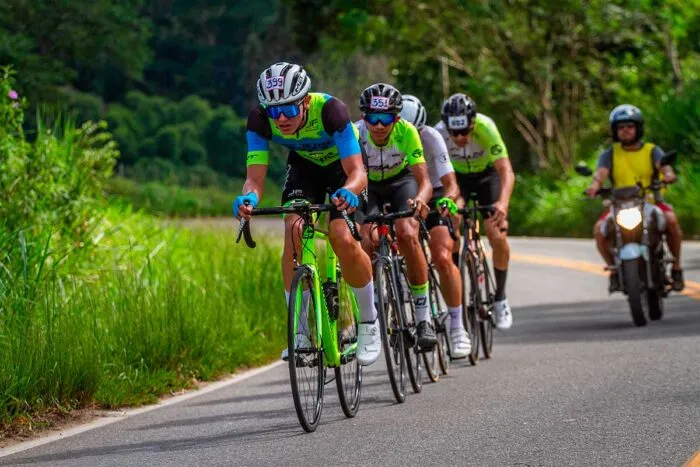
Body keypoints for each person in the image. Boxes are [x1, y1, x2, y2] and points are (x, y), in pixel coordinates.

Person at [233, 62, 381, 366]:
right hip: (305, 169)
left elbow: (357, 172)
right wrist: (248, 197)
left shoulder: (331, 111)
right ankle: (300, 332)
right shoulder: (260, 121)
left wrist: (350, 190)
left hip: (344, 168)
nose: (282, 118)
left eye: (289, 109)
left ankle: (369, 322)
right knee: (294, 230)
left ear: (305, 100)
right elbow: (255, 179)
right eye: (275, 111)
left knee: (341, 236)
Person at [355, 83, 436, 349]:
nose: (378, 125)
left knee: (407, 232)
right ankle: (377, 301)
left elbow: (424, 180)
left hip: (402, 182)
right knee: (365, 238)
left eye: (386, 118)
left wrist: (420, 200)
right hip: (369, 186)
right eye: (372, 118)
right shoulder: (355, 134)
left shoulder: (407, 132)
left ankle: (424, 318)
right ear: (364, 117)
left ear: (397, 118)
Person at [435, 93, 515, 330]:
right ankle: (457, 266)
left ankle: (500, 297)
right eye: (454, 133)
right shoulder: (438, 132)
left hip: (486, 177)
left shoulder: (486, 127)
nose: (460, 138)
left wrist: (502, 203)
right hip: (457, 180)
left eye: (465, 132)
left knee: (496, 233)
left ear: (473, 124)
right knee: (453, 217)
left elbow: (506, 171)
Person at [400, 94, 471, 358]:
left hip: (435, 191)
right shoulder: (381, 134)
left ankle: (457, 327)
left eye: (415, 132)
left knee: (442, 256)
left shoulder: (432, 137)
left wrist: (449, 201)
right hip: (402, 192)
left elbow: (451, 184)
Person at [586, 104, 684, 292]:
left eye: (629, 126)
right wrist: (594, 187)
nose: (625, 131)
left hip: (650, 203)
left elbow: (664, 167)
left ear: (638, 128)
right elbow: (600, 174)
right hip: (620, 206)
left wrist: (669, 175)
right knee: (599, 230)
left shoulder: (651, 150)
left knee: (671, 220)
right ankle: (614, 270)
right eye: (620, 127)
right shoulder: (610, 154)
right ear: (615, 131)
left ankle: (677, 267)